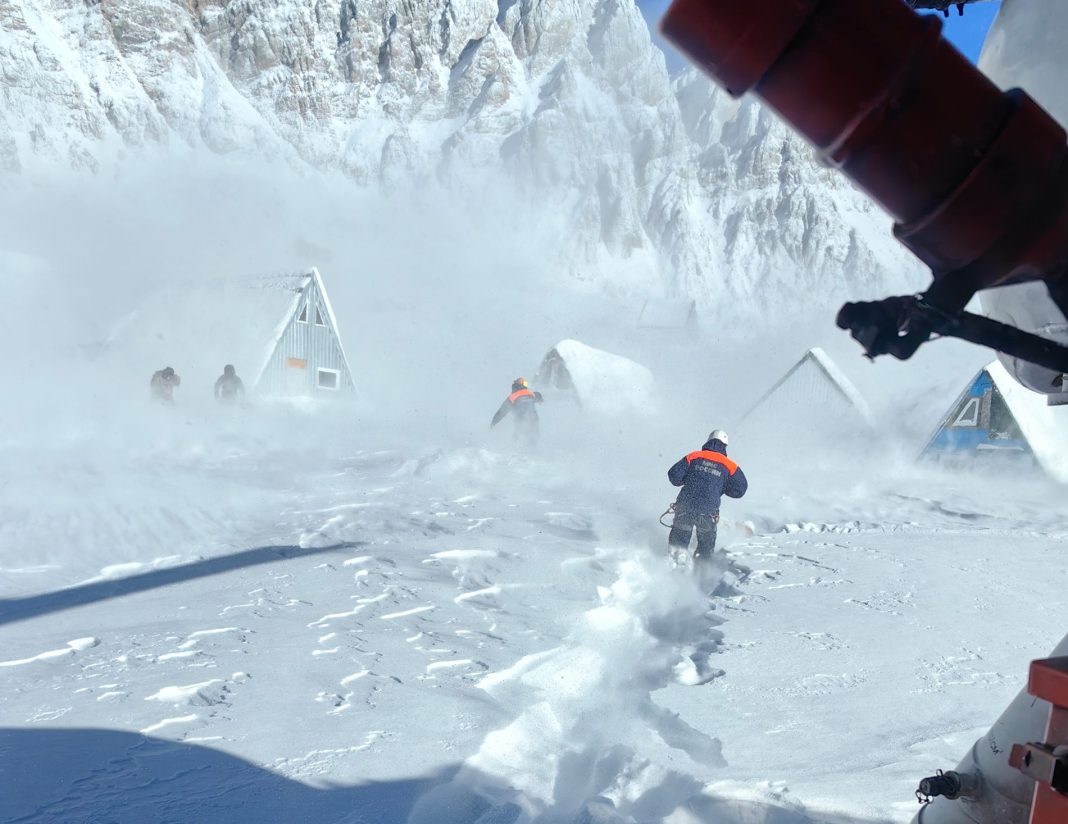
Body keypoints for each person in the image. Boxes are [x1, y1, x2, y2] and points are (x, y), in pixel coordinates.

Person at [667, 429, 748, 573]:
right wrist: (721, 488)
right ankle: (699, 580)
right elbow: (740, 490)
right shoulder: (730, 465)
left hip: (685, 508)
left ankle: (673, 577)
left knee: (678, 548)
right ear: (725, 445)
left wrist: (689, 478)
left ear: (708, 441)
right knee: (705, 551)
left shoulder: (694, 456)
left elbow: (674, 476)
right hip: (708, 514)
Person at [490, 377, 544, 448]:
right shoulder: (531, 393)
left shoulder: (512, 397)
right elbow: (539, 395)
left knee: (519, 435)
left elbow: (501, 412)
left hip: (520, 419)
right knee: (533, 436)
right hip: (533, 418)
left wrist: (493, 423)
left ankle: (517, 448)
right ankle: (535, 449)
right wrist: (541, 400)